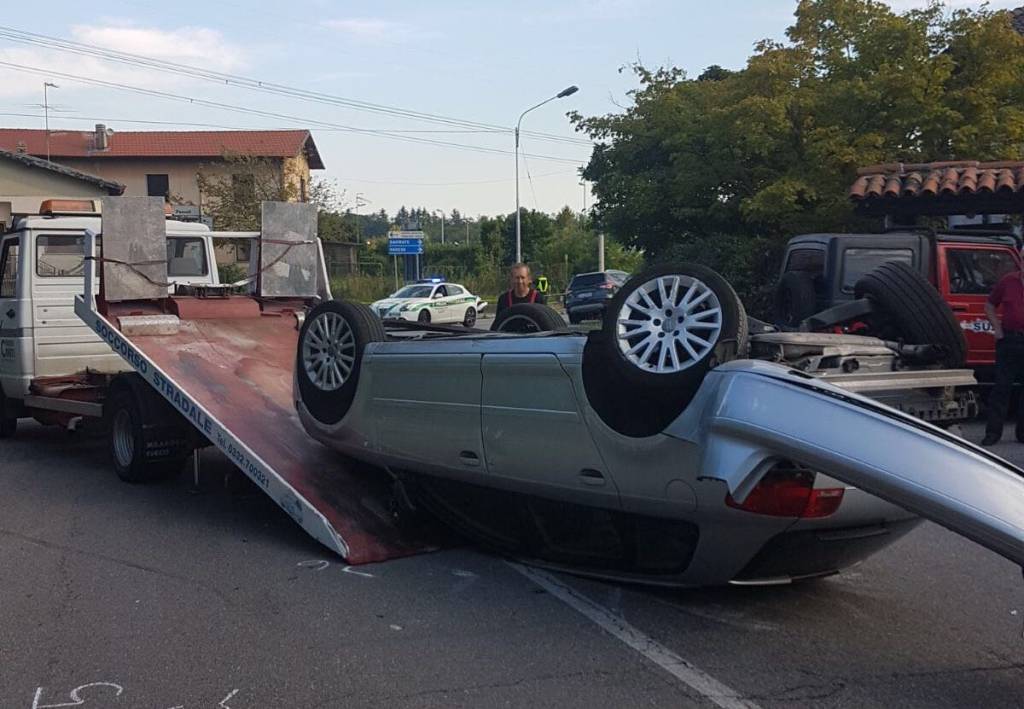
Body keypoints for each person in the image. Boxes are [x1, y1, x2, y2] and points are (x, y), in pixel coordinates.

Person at [982, 266, 1024, 445]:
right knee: (1001, 388)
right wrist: (997, 328)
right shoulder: (1008, 281)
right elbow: (989, 305)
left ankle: (1023, 434)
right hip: (1009, 340)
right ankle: (992, 434)